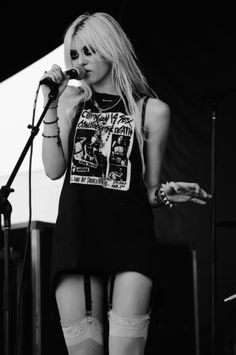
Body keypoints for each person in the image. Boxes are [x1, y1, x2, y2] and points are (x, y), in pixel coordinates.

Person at [40, 12, 211, 355]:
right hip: (77, 236)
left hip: (131, 239)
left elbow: (147, 189)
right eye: (74, 54)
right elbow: (54, 169)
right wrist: (52, 106)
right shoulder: (72, 101)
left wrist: (165, 192)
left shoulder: (152, 111)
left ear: (110, 47)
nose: (81, 61)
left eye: (89, 51)